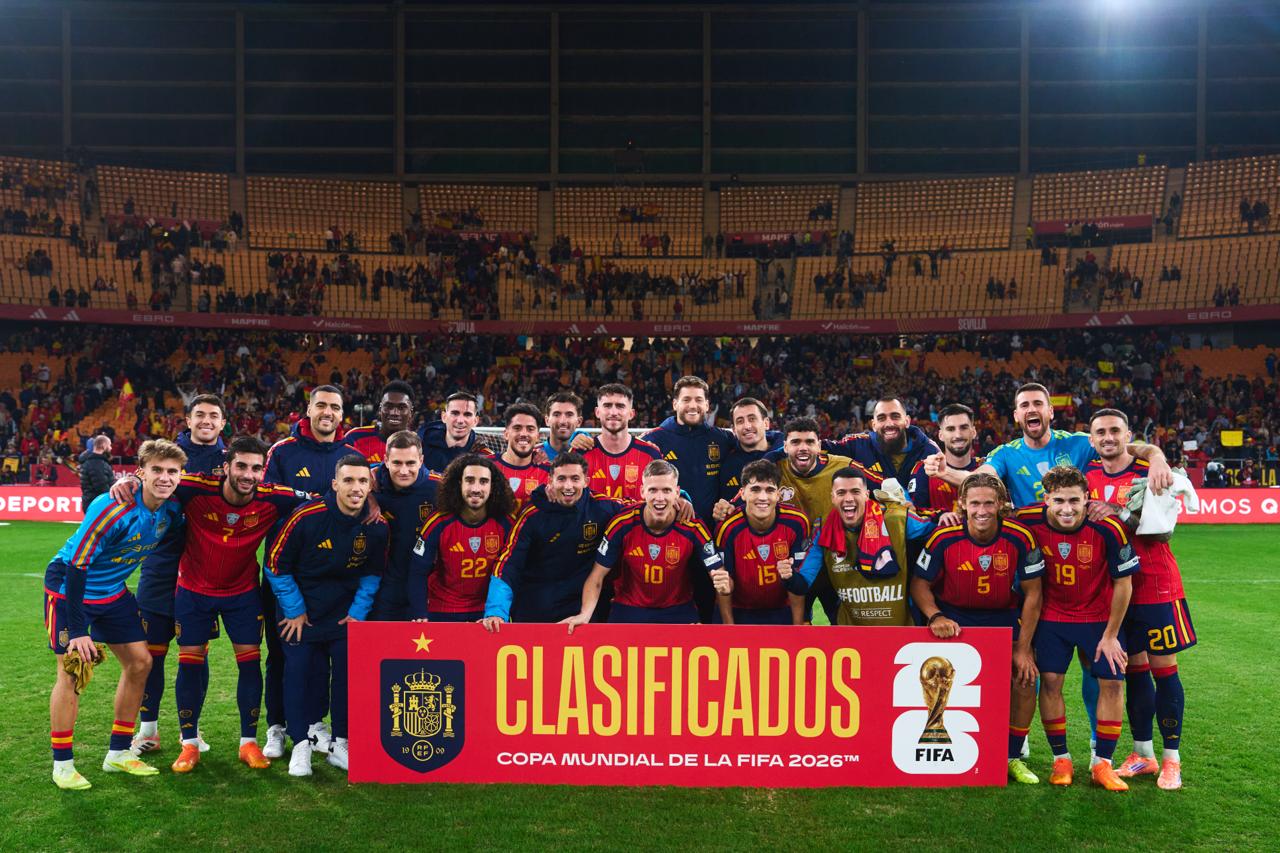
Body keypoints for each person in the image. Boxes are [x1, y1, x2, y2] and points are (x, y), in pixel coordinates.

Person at [44, 439, 187, 790]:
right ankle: (62, 764)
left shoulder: (171, 512)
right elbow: (77, 567)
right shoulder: (113, 506)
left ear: (180, 476)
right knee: (74, 671)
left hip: (113, 591)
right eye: (157, 470)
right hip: (69, 588)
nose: (165, 478)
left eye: (172, 472)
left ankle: (119, 753)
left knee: (140, 663)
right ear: (141, 472)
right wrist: (78, 631)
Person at [910, 473, 1045, 785]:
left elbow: (1034, 593)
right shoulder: (944, 538)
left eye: (988, 503)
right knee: (938, 678)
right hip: (955, 617)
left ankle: (1012, 756)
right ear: (962, 505)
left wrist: (1023, 648)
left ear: (1000, 505)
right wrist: (935, 616)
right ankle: (941, 745)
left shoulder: (1019, 537)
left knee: (1025, 679)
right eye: (975, 503)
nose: (981, 510)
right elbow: (919, 585)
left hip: (1003, 617)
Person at [1085, 408, 1193, 790]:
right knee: (1133, 672)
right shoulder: (1088, 477)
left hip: (1155, 586)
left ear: (1128, 434)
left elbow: (1162, 534)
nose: (1109, 437)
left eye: (1116, 430)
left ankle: (1171, 760)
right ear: (1091, 438)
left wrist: (1117, 511)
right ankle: (1143, 754)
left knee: (1165, 672)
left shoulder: (1150, 472)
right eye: (1101, 432)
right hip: (1115, 592)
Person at [1016, 466, 1139, 792]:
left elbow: (1123, 583)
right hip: (1052, 619)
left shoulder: (1109, 527)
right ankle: (1062, 760)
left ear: (1087, 498)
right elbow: (990, 518)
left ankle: (1103, 764)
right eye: (1058, 500)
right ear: (1046, 499)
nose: (1067, 508)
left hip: (1099, 620)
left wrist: (1112, 635)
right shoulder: (1026, 519)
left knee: (1112, 683)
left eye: (1074, 500)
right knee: (1051, 682)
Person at [265, 455, 388, 777]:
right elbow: (276, 564)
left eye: (362, 481)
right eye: (348, 481)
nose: (356, 488)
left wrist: (358, 613)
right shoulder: (306, 516)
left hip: (343, 613)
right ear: (335, 484)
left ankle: (340, 744)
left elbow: (373, 574)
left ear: (370, 485)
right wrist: (294, 609)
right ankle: (300, 745)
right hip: (299, 611)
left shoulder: (377, 527)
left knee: (347, 676)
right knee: (299, 673)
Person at [263, 384, 356, 754]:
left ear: (341, 413)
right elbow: (265, 497)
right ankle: (277, 725)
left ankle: (314, 724)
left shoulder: (349, 455)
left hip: (333, 577)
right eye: (321, 405)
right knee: (280, 651)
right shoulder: (283, 452)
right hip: (284, 572)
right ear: (309, 409)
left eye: (334, 406)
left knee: (319, 655)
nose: (327, 412)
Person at [132, 393, 227, 754]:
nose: (206, 420)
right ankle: (149, 730)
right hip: (160, 569)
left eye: (213, 416)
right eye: (199, 414)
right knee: (151, 655)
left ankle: (192, 729)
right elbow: (141, 474)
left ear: (222, 423)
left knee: (195, 656)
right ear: (188, 419)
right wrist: (126, 481)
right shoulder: (167, 454)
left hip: (206, 572)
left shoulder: (230, 461)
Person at [565, 460, 729, 627]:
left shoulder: (693, 526)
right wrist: (584, 615)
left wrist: (723, 585)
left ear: (677, 492)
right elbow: (597, 576)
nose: (660, 498)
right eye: (653, 490)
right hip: (629, 609)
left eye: (666, 490)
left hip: (678, 610)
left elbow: (718, 574)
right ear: (642, 492)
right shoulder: (622, 523)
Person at [482, 452, 630, 627]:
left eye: (575, 479)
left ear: (586, 481)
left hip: (580, 609)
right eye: (561, 479)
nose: (568, 486)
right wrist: (496, 612)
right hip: (535, 607)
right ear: (550, 481)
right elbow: (508, 564)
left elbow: (638, 510)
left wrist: (671, 501)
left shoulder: (603, 507)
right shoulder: (532, 515)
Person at [643, 376, 738, 620]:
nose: (692, 405)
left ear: (708, 405)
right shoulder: (654, 439)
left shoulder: (723, 438)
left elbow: (764, 442)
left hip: (710, 538)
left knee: (708, 602)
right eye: (686, 400)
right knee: (667, 603)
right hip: (668, 539)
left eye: (698, 400)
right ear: (675, 404)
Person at [793, 465, 918, 627]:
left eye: (855, 492)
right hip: (851, 635)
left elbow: (936, 532)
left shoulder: (899, 519)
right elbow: (803, 582)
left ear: (867, 495)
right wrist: (789, 576)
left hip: (903, 631)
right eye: (841, 493)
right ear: (832, 497)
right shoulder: (823, 529)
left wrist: (946, 516)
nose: (849, 498)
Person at [407, 454, 514, 622]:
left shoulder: (506, 524)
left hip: (487, 613)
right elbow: (417, 570)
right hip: (443, 608)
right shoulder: (438, 522)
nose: (476, 489)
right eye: (470, 480)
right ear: (459, 484)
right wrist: (419, 614)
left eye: (483, 482)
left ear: (493, 486)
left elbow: (513, 571)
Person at [713, 460, 810, 625]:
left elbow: (797, 581)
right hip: (740, 610)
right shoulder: (728, 527)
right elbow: (724, 584)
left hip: (782, 609)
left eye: (770, 490)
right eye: (755, 489)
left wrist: (798, 626)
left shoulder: (798, 523)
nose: (763, 497)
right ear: (742, 493)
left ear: (778, 495)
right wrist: (729, 629)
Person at [369, 430, 441, 621]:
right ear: (385, 460)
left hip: (429, 587)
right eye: (397, 463)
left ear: (421, 460)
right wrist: (368, 497)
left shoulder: (441, 488)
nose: (403, 470)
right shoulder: (370, 485)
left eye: (410, 463)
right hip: (385, 586)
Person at [825, 396, 940, 487]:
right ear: (873, 425)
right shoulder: (857, 444)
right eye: (881, 418)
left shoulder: (929, 450)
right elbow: (819, 448)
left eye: (895, 416)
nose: (889, 424)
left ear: (907, 421)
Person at [581, 384, 661, 501]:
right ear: (597, 412)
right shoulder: (580, 453)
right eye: (607, 406)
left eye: (620, 406)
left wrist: (683, 497)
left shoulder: (651, 454)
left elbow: (665, 491)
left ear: (631, 414)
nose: (613, 412)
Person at [713, 397, 783, 519]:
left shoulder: (786, 456)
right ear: (734, 430)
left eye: (752, 419)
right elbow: (724, 506)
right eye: (740, 421)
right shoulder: (727, 465)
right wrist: (721, 511)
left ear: (766, 423)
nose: (747, 426)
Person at [908, 403, 979, 512]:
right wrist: (940, 516)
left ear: (973, 432)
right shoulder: (925, 468)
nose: (958, 435)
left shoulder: (987, 466)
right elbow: (917, 513)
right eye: (951, 429)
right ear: (941, 435)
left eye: (964, 428)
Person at [491, 403, 549, 510]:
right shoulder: (486, 466)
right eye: (517, 428)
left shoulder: (549, 473)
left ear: (538, 436)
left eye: (530, 429)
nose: (523, 433)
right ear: (506, 434)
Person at [418, 391, 494, 473]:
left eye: (467, 414)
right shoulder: (420, 444)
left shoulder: (486, 456)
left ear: (476, 421)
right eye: (455, 413)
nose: (460, 420)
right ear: (444, 417)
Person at [344, 379, 415, 464]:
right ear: (380, 409)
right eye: (388, 406)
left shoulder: (419, 445)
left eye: (401, 408)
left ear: (411, 412)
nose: (394, 413)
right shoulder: (355, 438)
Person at [540, 391, 586, 462]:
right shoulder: (534, 456)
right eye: (556, 414)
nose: (563, 421)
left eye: (569, 415)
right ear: (547, 420)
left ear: (579, 421)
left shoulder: (588, 453)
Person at [77, 435, 114, 511]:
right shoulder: (97, 464)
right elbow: (101, 487)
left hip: (91, 502)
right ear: (103, 446)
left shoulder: (91, 461)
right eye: (109, 445)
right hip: (98, 505)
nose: (111, 448)